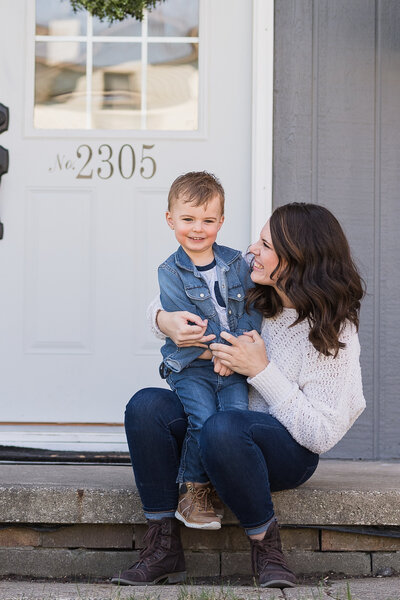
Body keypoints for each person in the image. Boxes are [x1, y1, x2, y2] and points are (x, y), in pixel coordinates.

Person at [112, 203, 366, 589]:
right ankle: (162, 546)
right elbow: (175, 292)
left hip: (281, 452)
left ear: (298, 260)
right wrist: (164, 321)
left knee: (224, 426)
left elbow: (321, 434)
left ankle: (267, 548)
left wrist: (261, 371)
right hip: (216, 431)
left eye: (264, 245)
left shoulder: (332, 332)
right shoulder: (251, 292)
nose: (251, 251)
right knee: (147, 406)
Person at [157, 171, 262, 530]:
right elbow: (184, 329)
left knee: (232, 421)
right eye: (187, 219)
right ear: (170, 219)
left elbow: (251, 312)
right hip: (191, 366)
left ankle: (221, 486)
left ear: (221, 221)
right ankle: (194, 492)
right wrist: (222, 352)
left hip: (232, 363)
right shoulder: (169, 272)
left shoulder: (236, 263)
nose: (197, 228)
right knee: (202, 419)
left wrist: (238, 349)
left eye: (208, 220)